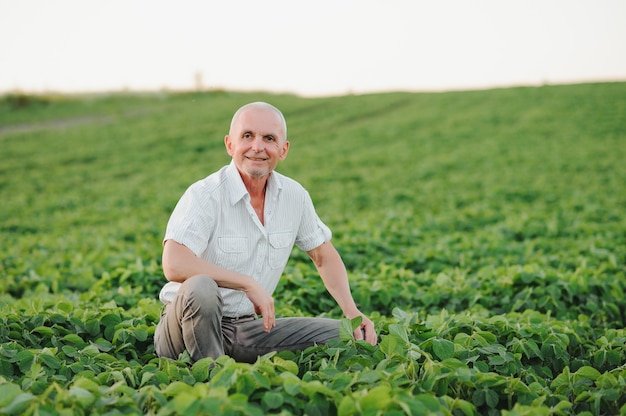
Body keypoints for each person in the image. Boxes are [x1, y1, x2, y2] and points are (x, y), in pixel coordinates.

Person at [154, 101, 376, 363]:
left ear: (283, 150)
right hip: (183, 329)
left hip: (243, 329)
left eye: (269, 139)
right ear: (230, 144)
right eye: (247, 136)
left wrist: (352, 312)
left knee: (345, 335)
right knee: (201, 286)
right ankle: (215, 380)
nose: (257, 147)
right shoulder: (205, 195)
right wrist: (246, 283)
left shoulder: (295, 197)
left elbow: (323, 256)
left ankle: (223, 361)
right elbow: (174, 263)